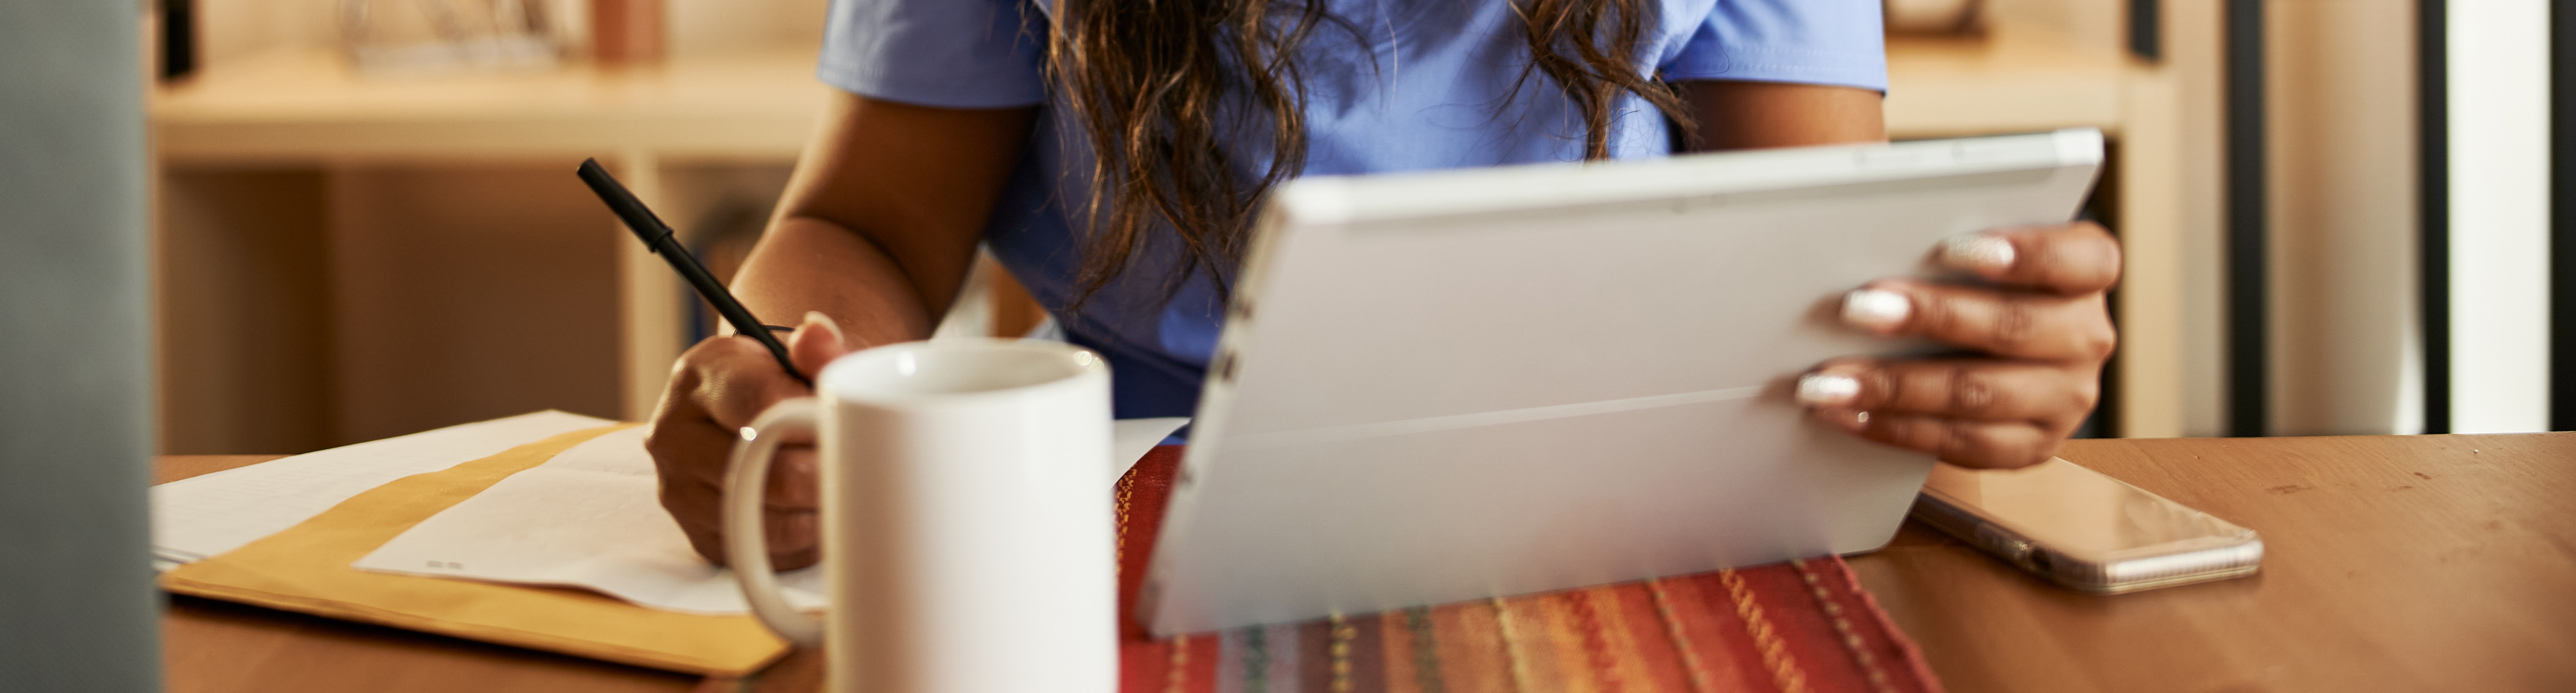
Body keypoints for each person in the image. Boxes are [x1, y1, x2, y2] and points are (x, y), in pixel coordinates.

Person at [646, 0, 2121, 570]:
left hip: (1587, 524)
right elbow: (865, 234)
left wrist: (1964, 357)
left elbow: (1826, 274)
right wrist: (788, 364)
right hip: (1104, 530)